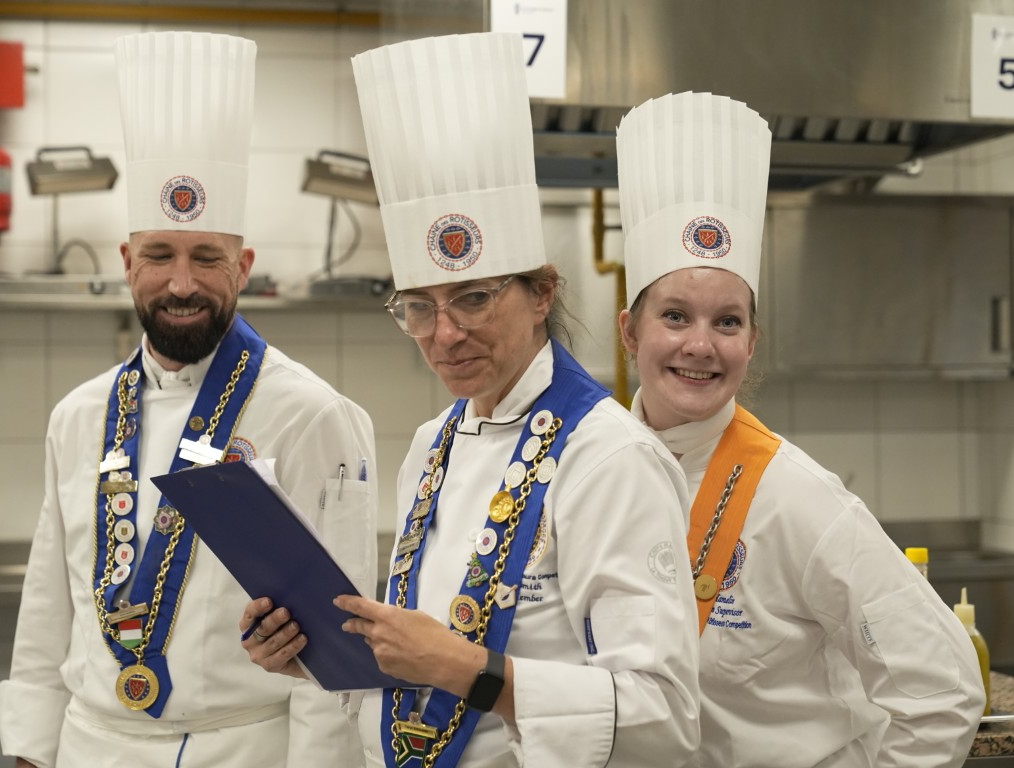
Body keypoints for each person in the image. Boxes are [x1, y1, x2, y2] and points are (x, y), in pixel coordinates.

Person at [241, 32, 700, 768]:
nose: (445, 334)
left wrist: (468, 670)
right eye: (418, 308)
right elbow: (421, 672)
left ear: (542, 292)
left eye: (474, 298)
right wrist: (320, 655)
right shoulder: (434, 444)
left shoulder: (610, 459)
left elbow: (662, 717)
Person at [0, 31, 376, 768]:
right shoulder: (79, 416)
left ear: (244, 266)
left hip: (241, 749)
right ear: (126, 262)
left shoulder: (312, 415)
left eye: (207, 257)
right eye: (158, 256)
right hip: (89, 746)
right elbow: (47, 603)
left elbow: (338, 645)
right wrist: (31, 750)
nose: (180, 283)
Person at [615, 91, 986, 767]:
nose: (701, 345)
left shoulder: (796, 497)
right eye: (675, 315)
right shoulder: (591, 473)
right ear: (629, 331)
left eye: (727, 322)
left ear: (751, 342)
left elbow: (945, 688)